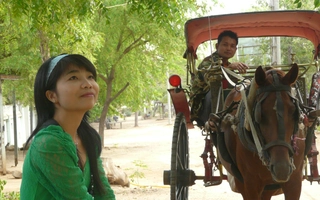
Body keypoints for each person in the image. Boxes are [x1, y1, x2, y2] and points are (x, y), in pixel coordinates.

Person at [20, 54, 116, 200]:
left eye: (90, 77)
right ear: (52, 96)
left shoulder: (88, 137)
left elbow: (104, 193)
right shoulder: (48, 143)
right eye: (73, 78)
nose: (88, 84)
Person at [190, 30, 248, 127]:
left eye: (232, 46)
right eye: (225, 45)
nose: (229, 48)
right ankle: (214, 120)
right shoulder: (207, 62)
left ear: (235, 49)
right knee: (216, 88)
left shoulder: (229, 66)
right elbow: (210, 78)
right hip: (203, 106)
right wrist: (229, 68)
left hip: (226, 107)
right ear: (217, 46)